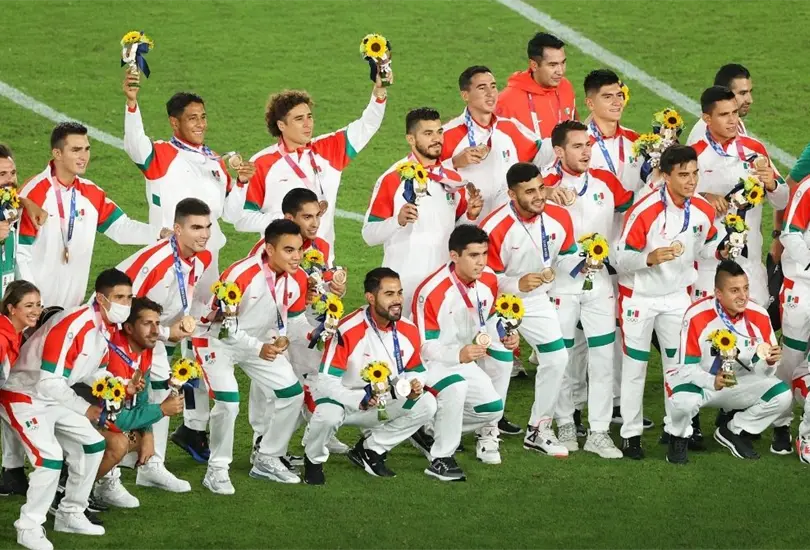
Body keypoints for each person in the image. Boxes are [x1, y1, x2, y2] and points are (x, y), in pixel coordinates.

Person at [122, 73, 252, 461]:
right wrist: (131, 103)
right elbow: (134, 146)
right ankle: (133, 427)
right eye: (192, 118)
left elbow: (228, 214)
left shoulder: (215, 161)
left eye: (203, 116)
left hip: (205, 263)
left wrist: (240, 182)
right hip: (168, 264)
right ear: (175, 123)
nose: (200, 123)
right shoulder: (161, 154)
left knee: (198, 340)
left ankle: (192, 427)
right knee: (151, 340)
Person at [0, 269, 134, 548]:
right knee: (49, 458)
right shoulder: (75, 325)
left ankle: (71, 512)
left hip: (50, 396)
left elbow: (83, 371)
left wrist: (116, 384)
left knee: (93, 444)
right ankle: (28, 526)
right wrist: (86, 409)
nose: (126, 303)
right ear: (101, 298)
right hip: (23, 395)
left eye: (129, 297)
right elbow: (49, 382)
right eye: (119, 297)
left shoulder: (103, 326)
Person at [614, 145, 719, 459]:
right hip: (639, 298)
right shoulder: (645, 209)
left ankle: (677, 433)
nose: (691, 180)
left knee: (679, 368)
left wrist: (722, 251)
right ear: (667, 175)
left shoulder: (702, 209)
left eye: (695, 173)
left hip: (676, 298)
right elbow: (619, 257)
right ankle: (631, 435)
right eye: (683, 174)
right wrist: (648, 257)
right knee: (635, 368)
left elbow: (708, 247)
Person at [194, 219, 313, 493]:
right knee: (229, 403)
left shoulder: (297, 278)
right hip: (217, 342)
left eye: (299, 250)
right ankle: (217, 469)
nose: (297, 257)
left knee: (292, 393)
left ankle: (267, 457)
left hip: (258, 342)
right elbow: (225, 328)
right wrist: (259, 347)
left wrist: (309, 335)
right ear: (270, 249)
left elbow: (294, 321)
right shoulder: (241, 275)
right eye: (289, 250)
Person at [543, 121, 633, 458]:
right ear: (559, 151)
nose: (585, 152)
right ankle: (565, 421)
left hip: (599, 284)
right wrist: (546, 193)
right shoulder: (544, 185)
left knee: (603, 356)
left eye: (588, 145)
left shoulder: (606, 182)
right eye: (577, 146)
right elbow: (518, 203)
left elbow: (631, 208)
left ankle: (598, 431)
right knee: (562, 355)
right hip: (561, 284)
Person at [302, 268, 437, 485]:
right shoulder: (348, 329)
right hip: (343, 401)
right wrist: (359, 399)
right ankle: (313, 460)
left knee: (426, 404)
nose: (397, 300)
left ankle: (371, 448)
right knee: (328, 414)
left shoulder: (408, 329)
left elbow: (418, 369)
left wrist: (415, 382)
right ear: (371, 298)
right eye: (389, 294)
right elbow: (326, 381)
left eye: (399, 293)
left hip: (382, 399)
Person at [234, 74, 389, 260]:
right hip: (281, 264)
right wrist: (280, 220)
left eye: (309, 117)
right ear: (281, 125)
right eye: (299, 119)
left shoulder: (328, 149)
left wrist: (379, 91)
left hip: (322, 263)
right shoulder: (262, 163)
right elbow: (241, 219)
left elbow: (367, 125)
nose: (308, 124)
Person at [116, 198, 214, 492]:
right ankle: (110, 469)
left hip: (150, 336)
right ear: (176, 229)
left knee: (162, 388)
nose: (204, 234)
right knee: (114, 396)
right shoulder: (155, 264)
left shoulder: (200, 257)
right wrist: (165, 332)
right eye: (196, 227)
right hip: (118, 336)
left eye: (207, 227)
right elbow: (122, 312)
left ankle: (150, 464)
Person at [480, 162, 576, 457]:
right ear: (511, 194)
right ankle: (488, 433)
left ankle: (539, 429)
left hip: (535, 301)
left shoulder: (559, 217)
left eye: (541, 188)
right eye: (530, 191)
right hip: (497, 304)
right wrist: (515, 282)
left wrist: (587, 261)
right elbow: (482, 279)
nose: (539, 196)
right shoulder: (495, 227)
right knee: (500, 366)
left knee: (557, 359)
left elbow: (568, 258)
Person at [247, 188, 350, 456]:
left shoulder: (322, 246)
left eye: (317, 216)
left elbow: (324, 279)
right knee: (272, 384)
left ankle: (316, 432)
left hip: (307, 320)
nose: (315, 223)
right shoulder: (267, 249)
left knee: (313, 374)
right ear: (290, 217)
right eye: (307, 217)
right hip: (272, 322)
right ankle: (261, 441)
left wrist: (335, 288)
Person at [411, 225, 518, 479]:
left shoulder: (488, 281)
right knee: (456, 388)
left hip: (462, 358)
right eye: (473, 256)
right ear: (454, 256)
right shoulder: (432, 291)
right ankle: (440, 458)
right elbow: (423, 345)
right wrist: (457, 355)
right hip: (430, 363)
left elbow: (489, 317)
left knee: (493, 408)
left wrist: (505, 333)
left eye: (484, 254)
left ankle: (428, 430)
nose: (481, 262)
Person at [16, 123, 158, 309]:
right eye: (76, 150)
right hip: (34, 310)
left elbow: (121, 228)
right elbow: (20, 252)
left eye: (86, 149)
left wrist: (159, 234)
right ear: (57, 154)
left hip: (71, 307)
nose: (84, 157)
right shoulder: (34, 193)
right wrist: (32, 303)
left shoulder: (91, 193)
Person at [663, 261, 788, 463]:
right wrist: (711, 381)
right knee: (684, 401)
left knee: (781, 395)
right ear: (718, 293)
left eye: (746, 288)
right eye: (735, 290)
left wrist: (770, 362)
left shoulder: (760, 315)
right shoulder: (697, 315)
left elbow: (765, 373)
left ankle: (733, 429)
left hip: (737, 381)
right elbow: (686, 369)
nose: (743, 296)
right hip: (700, 383)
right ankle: (678, 436)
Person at [362, 107, 483, 313]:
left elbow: (456, 231)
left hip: (443, 281)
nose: (437, 139)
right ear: (411, 139)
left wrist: (470, 215)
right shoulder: (393, 178)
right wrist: (397, 221)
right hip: (407, 282)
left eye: (439, 132)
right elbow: (368, 235)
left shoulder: (451, 179)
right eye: (428, 133)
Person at [689, 86, 787, 306]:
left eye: (734, 112)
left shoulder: (755, 148)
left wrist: (771, 184)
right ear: (707, 118)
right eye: (724, 114)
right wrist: (703, 197)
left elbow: (782, 200)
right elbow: (675, 201)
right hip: (708, 265)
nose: (732, 120)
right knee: (710, 335)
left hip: (749, 262)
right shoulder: (694, 154)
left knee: (754, 334)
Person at [89, 297, 185, 509]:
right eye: (147, 323)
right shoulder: (114, 357)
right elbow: (113, 418)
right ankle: (71, 491)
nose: (155, 330)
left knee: (137, 438)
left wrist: (148, 435)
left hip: (101, 417)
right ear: (130, 328)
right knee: (120, 442)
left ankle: (98, 482)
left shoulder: (144, 349)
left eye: (157, 324)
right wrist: (161, 410)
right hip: (84, 415)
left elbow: (140, 398)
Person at [441, 65, 552, 218]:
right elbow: (424, 176)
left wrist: (574, 135)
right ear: (465, 95)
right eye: (482, 88)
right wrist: (454, 163)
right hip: (467, 226)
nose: (490, 94)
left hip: (505, 226)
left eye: (493, 87)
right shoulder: (447, 134)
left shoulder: (509, 128)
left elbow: (540, 155)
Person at [776, 174, 810, 457]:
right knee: (792, 357)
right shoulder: (808, 188)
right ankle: (781, 424)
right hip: (802, 287)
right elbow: (789, 232)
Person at [0, 281, 42, 501]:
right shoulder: (2, 338)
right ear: (11, 308)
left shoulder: (14, 332)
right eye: (28, 305)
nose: (35, 311)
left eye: (38, 304)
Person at [496, 32, 576, 139]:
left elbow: (573, 119)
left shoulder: (565, 86)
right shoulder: (507, 101)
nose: (560, 71)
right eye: (552, 65)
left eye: (563, 63)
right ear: (534, 65)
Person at [686, 64, 753, 145]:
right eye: (742, 93)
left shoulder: (734, 122)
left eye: (750, 92)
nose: (750, 100)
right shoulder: (706, 136)